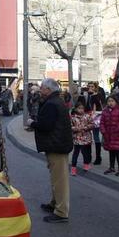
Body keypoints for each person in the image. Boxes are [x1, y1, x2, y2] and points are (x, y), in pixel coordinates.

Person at [29, 78, 73, 223]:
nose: (40, 90)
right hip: (58, 144)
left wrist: (32, 123)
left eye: (42, 88)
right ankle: (55, 204)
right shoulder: (55, 101)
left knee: (59, 180)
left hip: (57, 145)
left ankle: (61, 212)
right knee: (56, 178)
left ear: (48, 89)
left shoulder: (52, 104)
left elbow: (45, 125)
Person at [100, 95, 119, 176]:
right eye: (109, 101)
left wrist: (117, 129)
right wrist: (103, 131)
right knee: (111, 151)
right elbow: (102, 122)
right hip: (107, 135)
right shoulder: (105, 111)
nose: (110, 103)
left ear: (116, 102)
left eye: (112, 101)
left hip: (117, 135)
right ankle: (111, 167)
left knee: (117, 152)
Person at [70, 102, 94, 176]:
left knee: (85, 152)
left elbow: (92, 124)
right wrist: (76, 128)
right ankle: (73, 167)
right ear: (76, 109)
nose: (81, 110)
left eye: (82, 108)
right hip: (77, 138)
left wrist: (86, 127)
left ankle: (86, 164)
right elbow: (70, 126)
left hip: (86, 138)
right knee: (75, 153)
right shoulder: (73, 118)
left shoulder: (87, 116)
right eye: (79, 108)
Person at [87, 82, 105, 165]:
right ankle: (96, 157)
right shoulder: (90, 95)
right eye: (89, 86)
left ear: (95, 87)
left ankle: (98, 157)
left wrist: (93, 116)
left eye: (92, 86)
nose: (90, 87)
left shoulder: (95, 95)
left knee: (96, 137)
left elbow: (95, 107)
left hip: (96, 117)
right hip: (94, 116)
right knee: (94, 137)